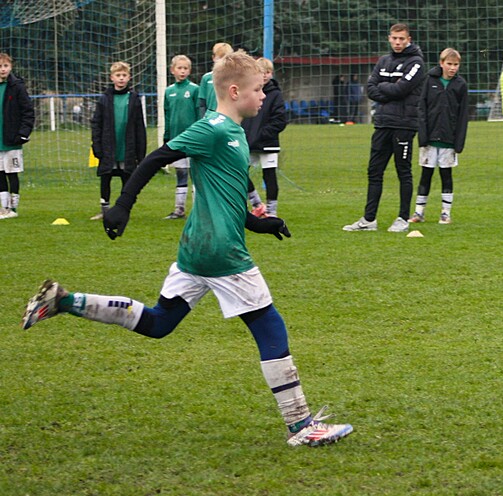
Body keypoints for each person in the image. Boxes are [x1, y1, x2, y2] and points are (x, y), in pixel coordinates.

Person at [22, 51, 353, 448]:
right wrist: (123, 205)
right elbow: (157, 158)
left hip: (196, 248)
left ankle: (64, 301)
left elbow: (226, 195)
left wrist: (259, 224)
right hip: (220, 251)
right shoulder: (212, 128)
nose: (263, 96)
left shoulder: (234, 133)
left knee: (160, 323)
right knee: (270, 326)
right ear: (235, 91)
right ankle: (301, 426)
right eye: (257, 89)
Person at [343, 23, 426, 233]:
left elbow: (401, 89)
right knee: (374, 171)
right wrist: (389, 89)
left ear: (409, 39)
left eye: (401, 39)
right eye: (394, 38)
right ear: (389, 38)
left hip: (404, 125)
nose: (397, 42)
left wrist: (384, 88)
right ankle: (369, 219)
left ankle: (402, 218)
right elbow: (371, 89)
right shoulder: (383, 61)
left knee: (403, 171)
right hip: (382, 124)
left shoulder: (416, 62)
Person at [408, 48, 469, 225]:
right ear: (441, 63)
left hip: (449, 139)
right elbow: (422, 109)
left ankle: (445, 213)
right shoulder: (429, 81)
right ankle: (419, 212)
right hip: (430, 139)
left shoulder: (460, 85)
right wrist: (423, 135)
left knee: (446, 175)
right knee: (425, 174)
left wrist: (459, 142)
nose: (452, 68)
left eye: (456, 64)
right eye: (449, 64)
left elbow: (463, 115)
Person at [90, 61, 146, 221]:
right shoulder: (104, 99)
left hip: (127, 148)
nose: (121, 78)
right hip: (108, 148)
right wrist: (97, 146)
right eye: (118, 75)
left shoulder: (134, 99)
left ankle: (123, 210)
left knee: (127, 179)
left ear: (129, 77)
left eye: (124, 75)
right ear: (112, 78)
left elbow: (139, 126)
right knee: (106, 178)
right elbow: (96, 124)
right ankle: (104, 210)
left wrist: (140, 153)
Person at [242, 57, 287, 218]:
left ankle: (272, 211)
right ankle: (256, 204)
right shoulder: (249, 92)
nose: (265, 75)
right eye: (262, 72)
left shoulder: (275, 94)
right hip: (250, 143)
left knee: (269, 176)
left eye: (268, 72)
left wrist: (262, 134)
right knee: (240, 172)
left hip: (268, 143)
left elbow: (280, 120)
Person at [162, 54, 200, 220]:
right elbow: (167, 115)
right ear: (172, 70)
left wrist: (200, 135)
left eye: (185, 68)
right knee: (181, 174)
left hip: (193, 140)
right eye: (179, 68)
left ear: (189, 71)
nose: (182, 71)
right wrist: (167, 137)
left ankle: (198, 210)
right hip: (177, 139)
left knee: (196, 175)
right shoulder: (169, 91)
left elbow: (199, 113)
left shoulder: (194, 89)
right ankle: (179, 209)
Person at [0, 52, 34, 220]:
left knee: (12, 174)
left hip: (12, 140)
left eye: (5, 66)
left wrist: (23, 133)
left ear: (11, 67)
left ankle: (13, 208)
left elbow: (28, 112)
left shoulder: (17, 87)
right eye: (0, 66)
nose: (2, 69)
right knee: (0, 174)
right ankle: (4, 208)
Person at [197, 42, 233, 118]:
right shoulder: (206, 78)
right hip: (210, 117)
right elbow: (202, 103)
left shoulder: (234, 77)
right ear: (213, 58)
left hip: (228, 117)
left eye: (226, 58)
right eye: (220, 57)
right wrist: (203, 118)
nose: (223, 61)